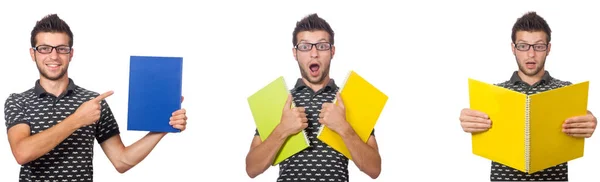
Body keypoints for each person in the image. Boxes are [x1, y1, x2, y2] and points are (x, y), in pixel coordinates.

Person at [3, 14, 188, 182]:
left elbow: (121, 161)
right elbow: (22, 153)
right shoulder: (18, 101)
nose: (54, 56)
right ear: (32, 54)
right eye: (44, 48)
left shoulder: (93, 103)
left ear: (71, 54)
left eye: (62, 49)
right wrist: (77, 120)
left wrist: (163, 126)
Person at [459, 11, 597, 181]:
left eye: (539, 46)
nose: (531, 54)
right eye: (523, 46)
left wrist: (590, 120)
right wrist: (467, 120)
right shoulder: (493, 93)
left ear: (548, 49)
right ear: (513, 48)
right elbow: (474, 123)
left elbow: (583, 118)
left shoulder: (565, 91)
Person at [244, 13, 381, 182]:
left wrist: (344, 128)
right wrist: (282, 129)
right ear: (295, 53)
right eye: (305, 46)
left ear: (332, 51)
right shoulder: (280, 100)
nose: (314, 53)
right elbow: (252, 168)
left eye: (322, 46)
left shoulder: (349, 99)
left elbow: (374, 169)